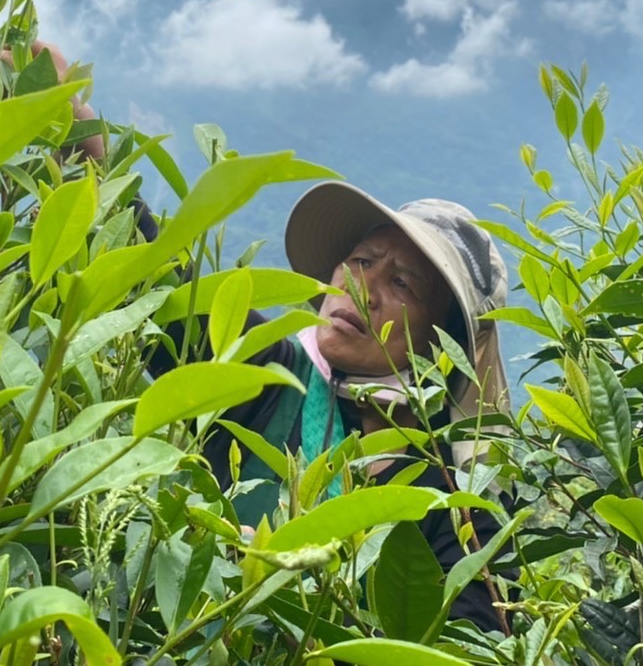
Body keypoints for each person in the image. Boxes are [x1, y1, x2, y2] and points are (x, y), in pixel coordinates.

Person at [151, 182, 513, 633]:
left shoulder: (462, 494)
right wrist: (87, 161)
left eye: (402, 282)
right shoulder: (271, 376)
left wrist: (301, 588)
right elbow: (157, 285)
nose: (362, 288)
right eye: (361, 260)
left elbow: (470, 644)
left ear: (446, 339)